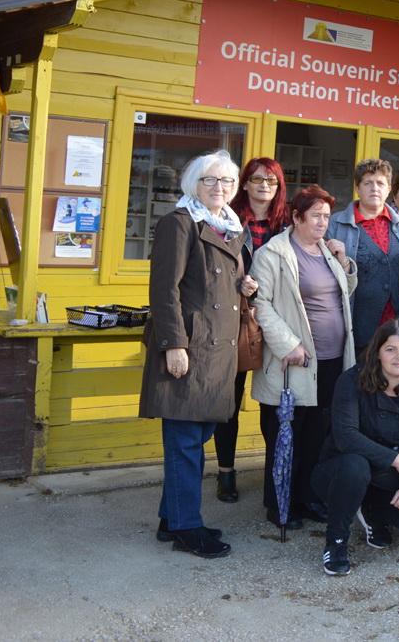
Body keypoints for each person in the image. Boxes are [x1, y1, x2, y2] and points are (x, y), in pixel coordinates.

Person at [139, 150, 255, 558]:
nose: (219, 188)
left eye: (226, 182)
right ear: (194, 184)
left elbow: (212, 281)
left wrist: (241, 288)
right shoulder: (179, 223)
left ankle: (171, 518)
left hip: (216, 349)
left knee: (196, 434)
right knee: (186, 438)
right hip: (190, 345)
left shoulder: (228, 226)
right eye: (210, 180)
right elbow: (164, 290)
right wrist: (174, 345)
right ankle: (187, 526)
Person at [251, 185, 358, 530]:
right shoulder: (273, 254)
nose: (323, 223)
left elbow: (341, 294)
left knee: (318, 434)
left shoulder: (326, 251)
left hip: (331, 360)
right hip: (294, 363)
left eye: (327, 216)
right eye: (316, 216)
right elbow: (261, 304)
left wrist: (344, 261)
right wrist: (287, 344)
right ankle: (279, 504)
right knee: (285, 433)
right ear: (296, 217)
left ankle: (308, 498)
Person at [312, 319, 399, 576]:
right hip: (340, 472)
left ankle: (371, 510)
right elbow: (345, 436)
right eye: (390, 349)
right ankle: (336, 541)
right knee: (355, 465)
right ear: (377, 353)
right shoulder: (352, 381)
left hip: (385, 477)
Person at [216, 156, 290, 503]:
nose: (264, 186)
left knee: (271, 400)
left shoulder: (288, 223)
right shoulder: (226, 220)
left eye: (271, 181)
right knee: (229, 399)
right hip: (235, 318)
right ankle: (226, 471)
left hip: (274, 319)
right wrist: (238, 283)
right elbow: (214, 265)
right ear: (244, 184)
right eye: (257, 180)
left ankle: (271, 470)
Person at [326, 159, 399, 352]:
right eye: (368, 183)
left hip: (398, 326)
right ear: (357, 187)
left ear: (389, 189)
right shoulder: (336, 224)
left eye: (380, 183)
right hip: (357, 327)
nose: (375, 188)